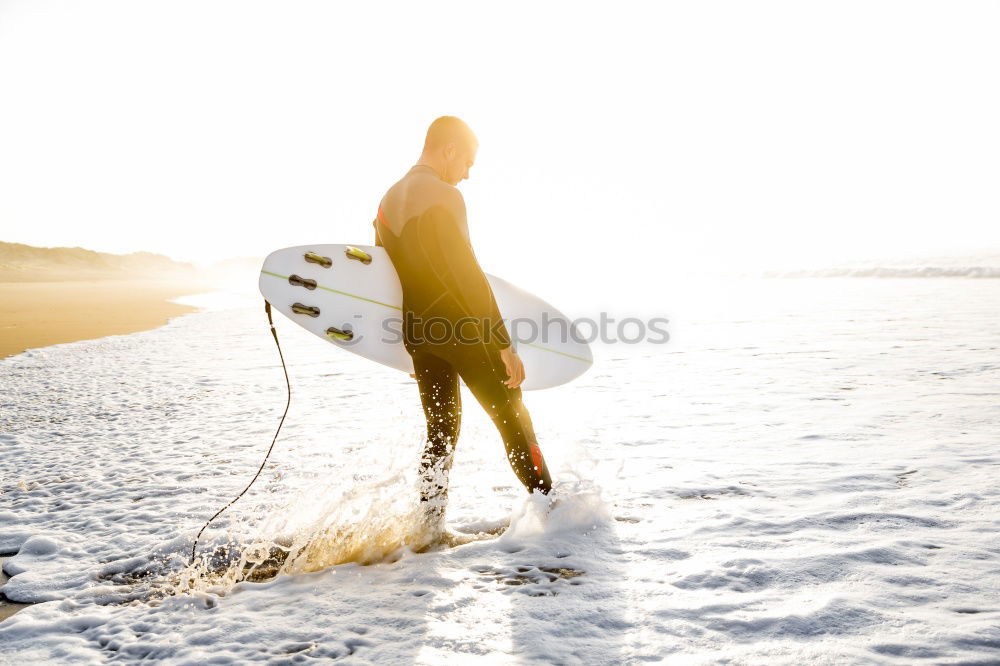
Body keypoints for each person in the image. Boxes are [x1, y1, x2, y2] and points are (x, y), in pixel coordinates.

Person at [372, 116, 552, 540]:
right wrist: (503, 343)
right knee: (512, 415)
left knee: (441, 430)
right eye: (467, 161)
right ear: (449, 149)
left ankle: (430, 529)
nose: (468, 173)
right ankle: (551, 512)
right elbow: (467, 272)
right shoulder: (445, 194)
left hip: (421, 333)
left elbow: (383, 279)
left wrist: (407, 347)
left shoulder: (388, 199)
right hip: (463, 328)